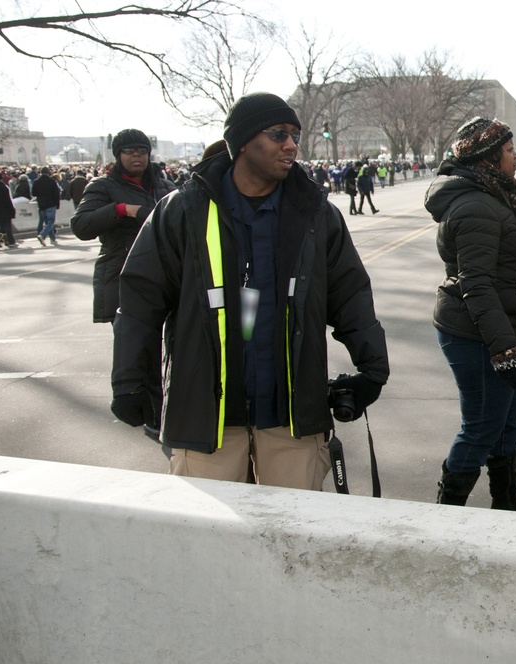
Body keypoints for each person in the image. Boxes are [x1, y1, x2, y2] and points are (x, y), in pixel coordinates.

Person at [109, 92, 389, 491]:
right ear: (242, 142)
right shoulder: (181, 212)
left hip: (290, 416)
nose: (291, 144)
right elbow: (139, 304)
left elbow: (351, 297)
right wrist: (130, 382)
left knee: (295, 538)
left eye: (295, 134)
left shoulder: (316, 215)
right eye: (278, 134)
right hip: (207, 417)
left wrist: (373, 369)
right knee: (210, 539)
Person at [426, 116, 516, 513]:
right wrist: (503, 348)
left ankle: (507, 501)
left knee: (508, 422)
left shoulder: (496, 195)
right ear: (489, 158)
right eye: (511, 151)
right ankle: (446, 514)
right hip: (477, 333)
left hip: (506, 326)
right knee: (481, 427)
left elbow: (505, 264)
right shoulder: (476, 204)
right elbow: (476, 284)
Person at [71, 129, 178, 324]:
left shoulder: (167, 187)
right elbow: (81, 226)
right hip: (124, 277)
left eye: (142, 150)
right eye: (129, 151)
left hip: (165, 277)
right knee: (133, 349)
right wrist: (122, 210)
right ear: (119, 155)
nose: (136, 155)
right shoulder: (102, 186)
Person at [31, 166, 61, 246]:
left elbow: (33, 193)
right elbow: (56, 194)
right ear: (48, 172)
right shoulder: (52, 181)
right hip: (51, 204)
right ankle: (42, 235)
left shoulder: (36, 181)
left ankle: (53, 238)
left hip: (41, 204)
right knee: (50, 221)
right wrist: (57, 204)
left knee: (47, 222)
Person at [0, 171, 17, 249]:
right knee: (8, 226)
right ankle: (11, 241)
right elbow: (8, 199)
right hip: (4, 210)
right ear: (1, 178)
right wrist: (12, 209)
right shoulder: (4, 187)